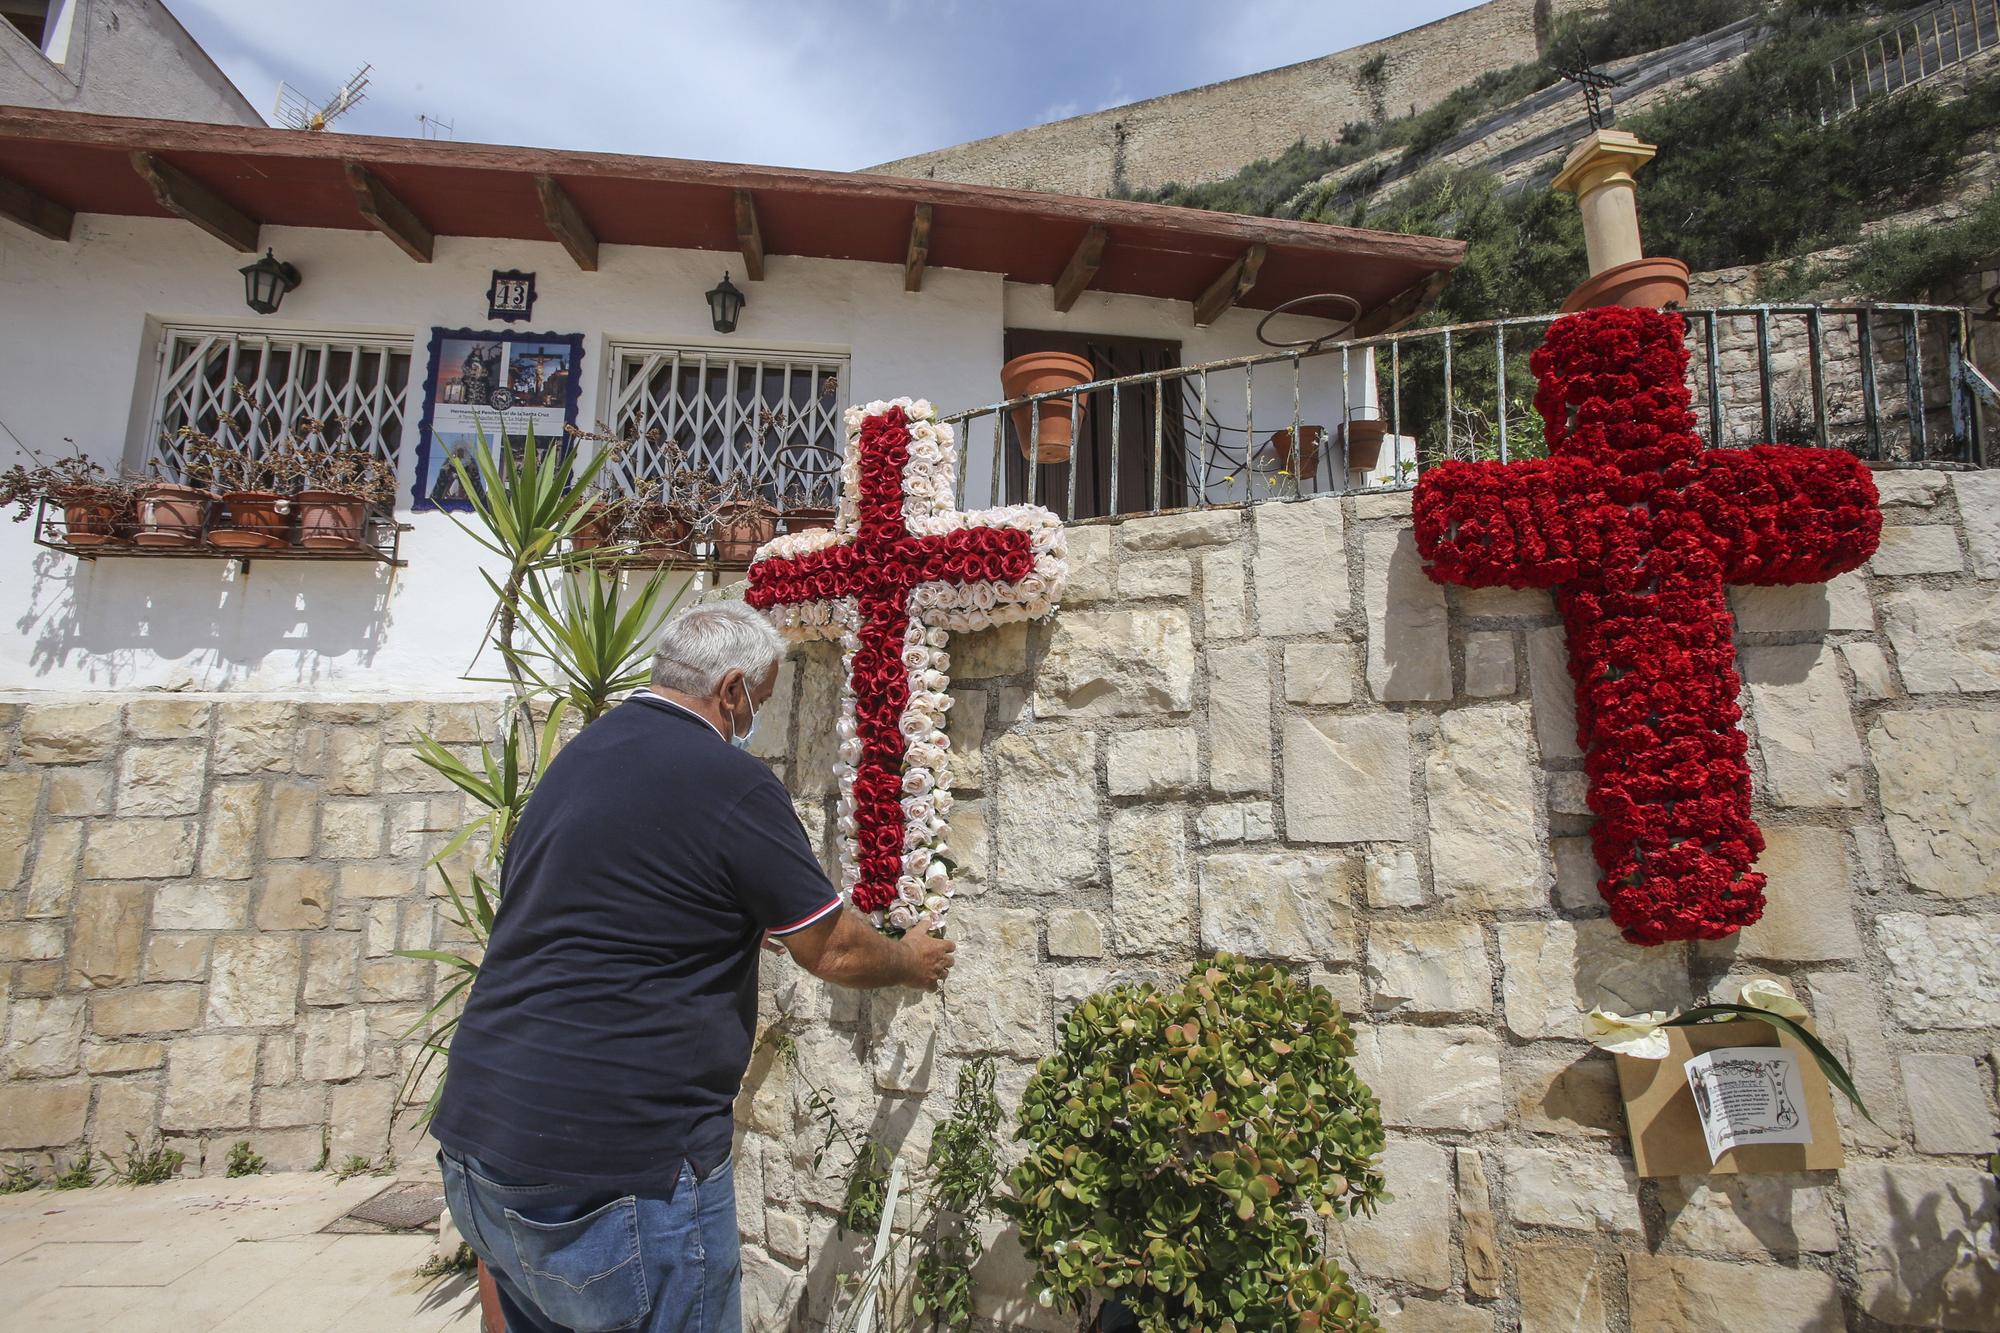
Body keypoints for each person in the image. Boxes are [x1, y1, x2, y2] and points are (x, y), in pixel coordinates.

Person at [433, 600, 956, 1333]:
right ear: (733, 688)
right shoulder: (728, 779)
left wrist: (734, 922)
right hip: (622, 1172)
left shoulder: (578, 758)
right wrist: (910, 957)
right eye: (762, 702)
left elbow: (602, 907)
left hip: (480, 1142)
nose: (756, 722)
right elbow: (833, 946)